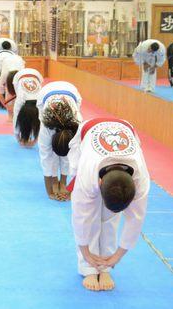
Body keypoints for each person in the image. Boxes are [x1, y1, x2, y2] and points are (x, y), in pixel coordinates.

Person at [67, 118, 150, 292]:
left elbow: (136, 219)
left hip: (127, 128)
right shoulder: (88, 173)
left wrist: (117, 256)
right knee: (91, 214)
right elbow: (81, 217)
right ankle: (88, 268)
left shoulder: (141, 180)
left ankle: (105, 266)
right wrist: (86, 253)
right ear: (99, 182)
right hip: (87, 133)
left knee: (110, 217)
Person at [37, 81, 82, 201]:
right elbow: (45, 156)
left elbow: (75, 159)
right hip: (44, 95)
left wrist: (67, 187)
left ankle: (61, 181)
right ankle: (55, 179)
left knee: (69, 154)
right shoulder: (46, 126)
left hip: (72, 92)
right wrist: (50, 188)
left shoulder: (78, 124)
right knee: (50, 155)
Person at [9, 68, 43, 147]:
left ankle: (28, 136)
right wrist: (18, 138)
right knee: (25, 120)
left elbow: (42, 122)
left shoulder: (41, 100)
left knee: (37, 119)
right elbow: (16, 118)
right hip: (18, 78)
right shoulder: (20, 99)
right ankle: (25, 136)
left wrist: (35, 140)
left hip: (37, 75)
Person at [0, 38, 18, 108]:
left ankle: (1, 103)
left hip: (2, 69)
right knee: (10, 86)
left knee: (0, 85)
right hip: (11, 70)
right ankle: (11, 102)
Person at [0, 53, 25, 120]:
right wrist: (7, 106)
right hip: (6, 63)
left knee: (19, 94)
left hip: (19, 61)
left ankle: (18, 115)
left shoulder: (22, 76)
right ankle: (10, 116)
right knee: (9, 93)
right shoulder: (3, 77)